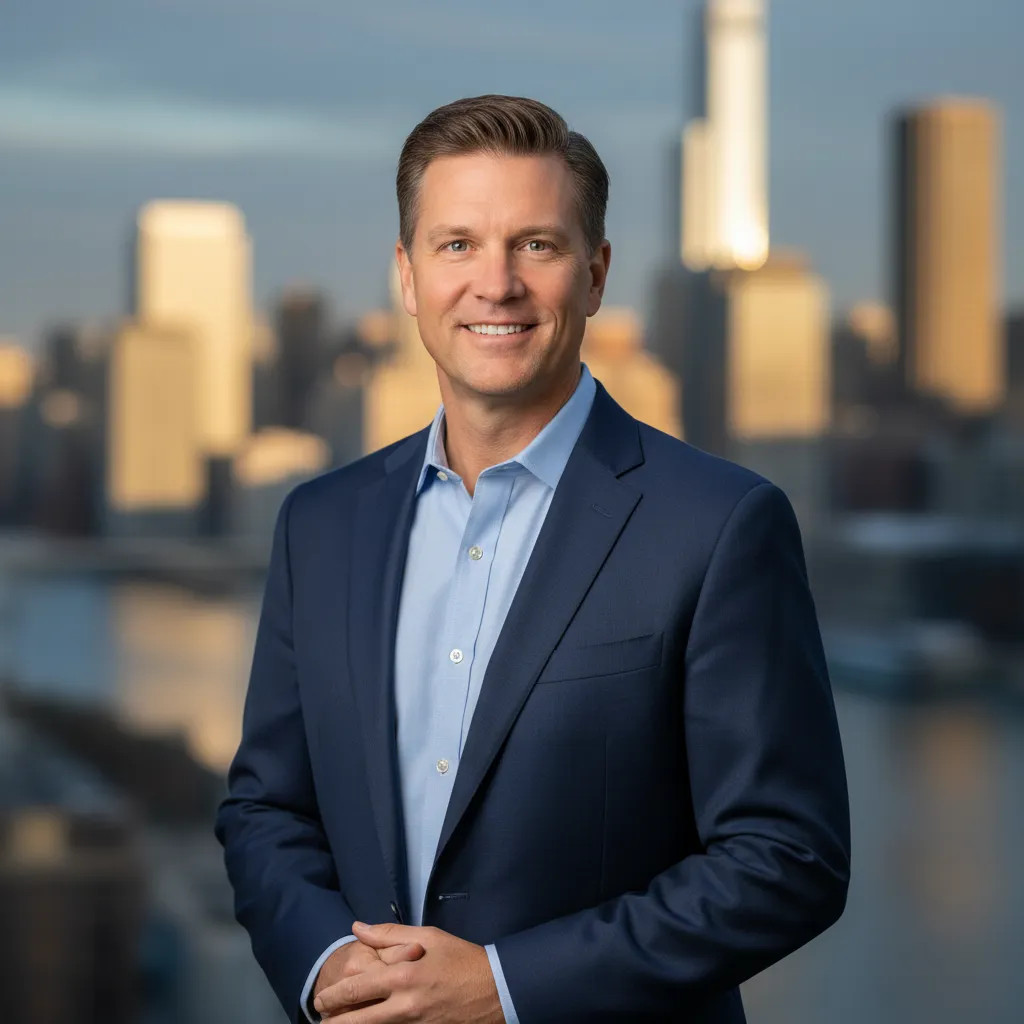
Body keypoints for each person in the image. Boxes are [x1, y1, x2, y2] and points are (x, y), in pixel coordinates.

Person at [215, 94, 850, 1024]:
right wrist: (327, 971)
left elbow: (787, 859)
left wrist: (504, 989)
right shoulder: (321, 522)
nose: (497, 284)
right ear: (407, 273)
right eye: (458, 244)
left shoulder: (719, 525)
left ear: (594, 275)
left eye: (538, 246)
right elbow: (266, 809)